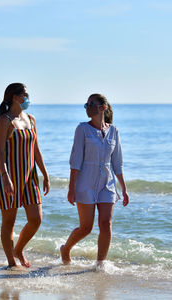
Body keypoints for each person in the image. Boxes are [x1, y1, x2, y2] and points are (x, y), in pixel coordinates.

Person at [60, 93, 129, 266]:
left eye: (91, 103)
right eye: (86, 104)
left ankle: (100, 265)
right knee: (86, 228)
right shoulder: (82, 129)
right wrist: (71, 188)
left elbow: (117, 162)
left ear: (102, 108)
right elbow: (75, 161)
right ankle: (66, 248)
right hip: (85, 183)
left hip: (107, 184)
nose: (87, 106)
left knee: (106, 224)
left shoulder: (114, 131)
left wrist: (124, 189)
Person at [0, 83, 50, 269]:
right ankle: (11, 262)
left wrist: (45, 174)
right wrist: (6, 177)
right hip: (10, 177)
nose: (28, 97)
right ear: (16, 97)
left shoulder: (31, 119)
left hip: (30, 177)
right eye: (25, 94)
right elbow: (0, 152)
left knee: (36, 219)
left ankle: (19, 249)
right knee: (9, 221)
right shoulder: (5, 120)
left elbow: (36, 149)